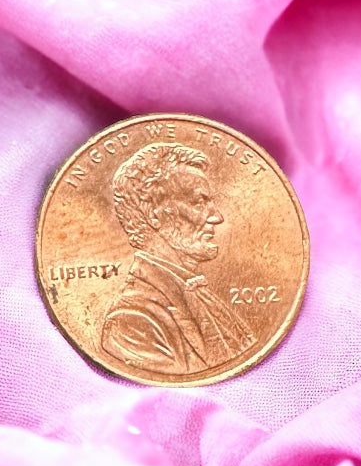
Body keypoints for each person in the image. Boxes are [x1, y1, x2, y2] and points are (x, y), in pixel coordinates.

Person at [101, 143, 255, 375]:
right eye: (199, 202)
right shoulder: (131, 322)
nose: (217, 217)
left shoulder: (199, 293)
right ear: (154, 214)